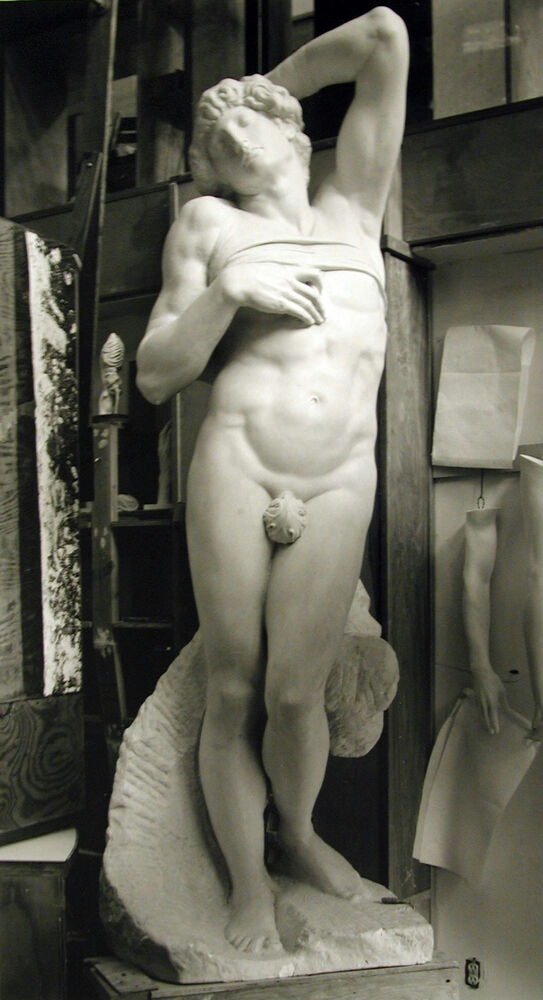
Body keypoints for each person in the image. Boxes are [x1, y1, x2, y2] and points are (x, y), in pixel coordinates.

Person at [136, 6, 409, 955]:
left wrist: (261, 89)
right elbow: (155, 374)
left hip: (337, 477)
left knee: (298, 694)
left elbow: (383, 35)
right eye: (208, 135)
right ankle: (247, 885)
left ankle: (295, 833)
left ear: (292, 128)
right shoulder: (207, 223)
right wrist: (227, 293)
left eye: (239, 122)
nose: (221, 137)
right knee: (235, 690)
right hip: (239, 465)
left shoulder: (355, 208)